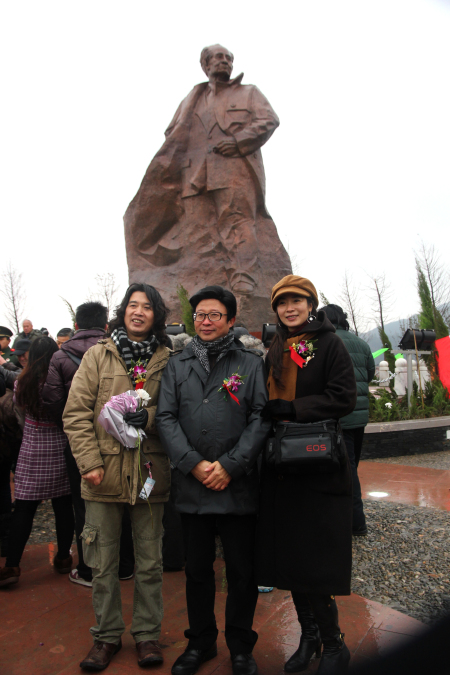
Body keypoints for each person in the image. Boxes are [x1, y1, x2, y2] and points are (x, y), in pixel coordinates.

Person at [124, 44, 291, 330]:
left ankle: (244, 282)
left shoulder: (248, 93)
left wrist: (238, 141)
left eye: (228, 58)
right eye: (217, 58)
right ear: (205, 65)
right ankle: (195, 291)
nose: (224, 62)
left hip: (233, 169)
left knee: (237, 223)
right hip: (193, 175)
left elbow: (269, 120)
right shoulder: (192, 98)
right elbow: (172, 133)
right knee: (196, 234)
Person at [156, 285, 270, 675]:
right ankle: (200, 642)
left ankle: (240, 646)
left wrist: (230, 465)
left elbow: (260, 417)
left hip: (236, 483)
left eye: (214, 315)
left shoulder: (250, 362)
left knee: (241, 571)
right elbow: (166, 417)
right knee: (197, 570)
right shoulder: (178, 363)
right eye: (200, 315)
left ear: (231, 320)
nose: (205, 322)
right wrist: (192, 463)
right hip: (193, 483)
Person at [63, 283, 171, 671]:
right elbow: (76, 414)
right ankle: (106, 636)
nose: (138, 312)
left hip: (149, 474)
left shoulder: (167, 358)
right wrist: (89, 463)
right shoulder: (98, 355)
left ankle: (146, 634)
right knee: (103, 563)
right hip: (102, 475)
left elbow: (177, 413)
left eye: (147, 307)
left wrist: (151, 417)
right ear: (123, 311)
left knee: (150, 562)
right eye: (132, 305)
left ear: (157, 315)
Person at [256, 275, 357, 675]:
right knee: (293, 558)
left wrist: (293, 409)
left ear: (311, 304)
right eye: (282, 303)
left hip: (318, 465)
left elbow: (344, 397)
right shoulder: (275, 347)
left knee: (316, 558)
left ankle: (334, 643)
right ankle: (310, 636)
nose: (289, 308)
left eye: (297, 301)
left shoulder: (329, 344)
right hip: (283, 468)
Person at [42, 302, 135, 588]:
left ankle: (88, 568)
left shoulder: (60, 356)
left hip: (79, 443)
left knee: (84, 504)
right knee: (124, 499)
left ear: (76, 325)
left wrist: (75, 430)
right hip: (119, 438)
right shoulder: (119, 351)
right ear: (106, 325)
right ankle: (124, 565)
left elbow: (53, 401)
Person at [0, 337, 75, 587]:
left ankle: (12, 565)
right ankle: (63, 558)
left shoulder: (21, 382)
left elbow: (19, 414)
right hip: (60, 446)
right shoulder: (60, 382)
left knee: (24, 508)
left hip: (32, 449)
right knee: (63, 506)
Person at [321, 305, 375, 537]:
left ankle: (355, 522)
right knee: (352, 465)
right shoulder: (361, 343)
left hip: (339, 417)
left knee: (345, 469)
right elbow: (370, 373)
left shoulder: (326, 342)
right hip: (359, 416)